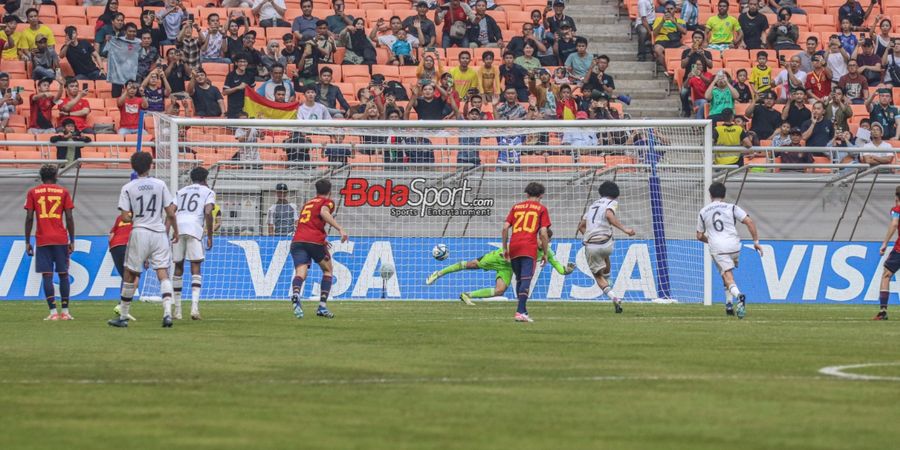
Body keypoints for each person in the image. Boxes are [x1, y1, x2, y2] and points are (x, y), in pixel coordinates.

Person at [109, 152, 180, 328]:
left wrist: (136, 216)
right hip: (158, 232)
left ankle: (123, 316)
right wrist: (176, 232)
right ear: (151, 165)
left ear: (132, 166)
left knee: (130, 272)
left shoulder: (128, 187)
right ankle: (167, 314)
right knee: (162, 272)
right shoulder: (160, 184)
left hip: (140, 231)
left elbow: (125, 217)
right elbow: (171, 213)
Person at [426, 228, 574, 305]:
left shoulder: (548, 252)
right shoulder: (526, 242)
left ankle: (467, 295)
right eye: (541, 238)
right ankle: (438, 273)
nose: (542, 241)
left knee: (500, 291)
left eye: (545, 239)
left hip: (508, 267)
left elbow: (559, 269)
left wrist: (566, 270)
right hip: (499, 258)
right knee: (470, 265)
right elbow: (508, 252)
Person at [697, 182, 762, 318]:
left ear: (710, 195)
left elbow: (699, 235)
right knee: (725, 274)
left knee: (728, 276)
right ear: (724, 195)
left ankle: (739, 297)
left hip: (719, 248)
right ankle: (728, 304)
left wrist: (710, 240)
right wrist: (756, 242)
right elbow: (749, 222)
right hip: (735, 246)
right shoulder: (732, 208)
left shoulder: (703, 212)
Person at [289, 179, 349, 319]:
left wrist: (321, 236)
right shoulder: (327, 202)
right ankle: (322, 307)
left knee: (301, 273)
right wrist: (340, 228)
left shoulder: (307, 204)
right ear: (330, 191)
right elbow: (323, 212)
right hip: (314, 241)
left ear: (316, 190)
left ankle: (296, 294)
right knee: (328, 270)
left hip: (297, 241)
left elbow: (300, 222)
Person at [24, 165, 75, 321]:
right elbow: (69, 217)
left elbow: (30, 217)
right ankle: (65, 312)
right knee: (63, 274)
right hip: (60, 238)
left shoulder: (33, 192)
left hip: (43, 239)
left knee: (47, 275)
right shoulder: (63, 192)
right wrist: (72, 240)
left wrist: (27, 241)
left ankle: (53, 313)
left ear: (41, 176)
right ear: (56, 175)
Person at [576, 181, 635, 313]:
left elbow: (581, 226)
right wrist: (625, 229)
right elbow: (609, 215)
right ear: (615, 194)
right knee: (605, 254)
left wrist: (588, 236)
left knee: (598, 276)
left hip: (592, 245)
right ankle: (609, 279)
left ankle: (613, 296)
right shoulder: (611, 202)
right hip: (607, 242)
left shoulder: (592, 206)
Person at [501, 182, 551, 323]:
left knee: (519, 279)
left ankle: (523, 310)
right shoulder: (541, 209)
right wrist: (545, 253)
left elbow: (505, 228)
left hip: (514, 245)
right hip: (529, 246)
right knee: (526, 280)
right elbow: (543, 232)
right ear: (541, 195)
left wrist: (505, 248)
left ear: (527, 194)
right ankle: (519, 312)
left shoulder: (516, 207)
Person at [172, 167, 216, 321]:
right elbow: (208, 212)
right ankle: (194, 308)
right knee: (195, 265)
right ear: (205, 179)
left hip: (178, 227)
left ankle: (177, 311)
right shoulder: (208, 192)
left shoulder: (181, 191)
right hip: (194, 228)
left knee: (178, 266)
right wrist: (210, 235)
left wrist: (168, 231)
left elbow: (171, 211)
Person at [874, 186, 900, 320]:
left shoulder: (896, 210)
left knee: (886, 275)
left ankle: (883, 311)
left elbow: (895, 224)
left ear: (896, 197)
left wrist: (884, 243)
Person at [106, 23, 141, 98]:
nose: (132, 33)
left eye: (134, 31)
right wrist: (109, 40)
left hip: (132, 73)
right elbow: (108, 51)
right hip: (119, 73)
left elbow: (142, 56)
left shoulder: (139, 43)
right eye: (130, 31)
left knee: (134, 97)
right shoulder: (118, 41)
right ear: (125, 31)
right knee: (116, 97)